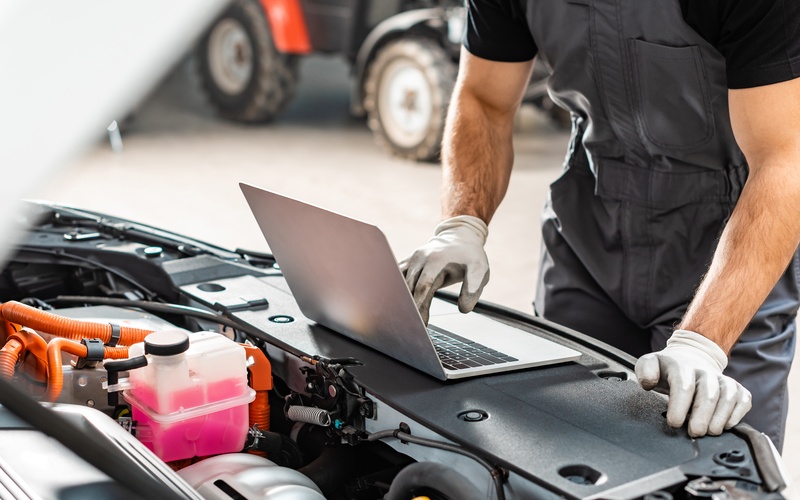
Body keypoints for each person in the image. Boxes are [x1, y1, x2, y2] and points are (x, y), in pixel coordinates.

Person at [400, 0, 800, 452]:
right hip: (587, 231)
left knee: (712, 461)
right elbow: (484, 100)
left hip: (729, 241)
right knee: (555, 446)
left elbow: (782, 160)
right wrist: (462, 224)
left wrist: (702, 345)